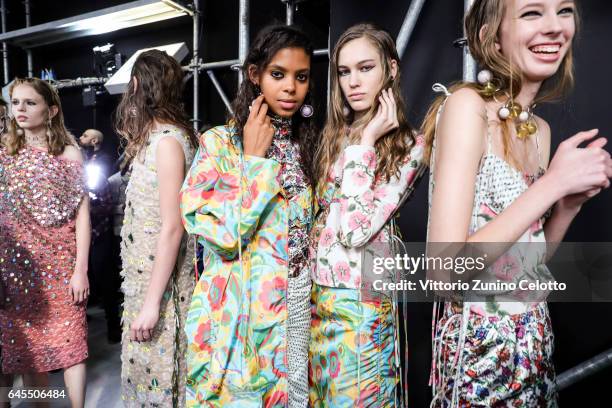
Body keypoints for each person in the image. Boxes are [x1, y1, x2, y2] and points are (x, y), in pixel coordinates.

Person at [422, 0, 612, 405]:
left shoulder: (538, 131)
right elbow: (443, 273)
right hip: (479, 354)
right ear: (493, 34)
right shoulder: (466, 108)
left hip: (534, 346)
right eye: (531, 13)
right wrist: (551, 185)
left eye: (563, 11)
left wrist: (568, 205)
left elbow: (527, 262)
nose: (555, 27)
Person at [180, 25, 318, 407]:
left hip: (295, 308)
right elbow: (222, 235)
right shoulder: (219, 144)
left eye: (300, 77)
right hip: (236, 319)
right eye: (278, 74)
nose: (290, 87)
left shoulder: (309, 145)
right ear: (255, 75)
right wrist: (254, 161)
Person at [308, 23, 424, 407]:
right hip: (318, 298)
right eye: (344, 71)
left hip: (362, 302)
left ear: (391, 68)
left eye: (365, 68)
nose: (353, 82)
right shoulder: (336, 134)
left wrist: (369, 141)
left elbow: (355, 232)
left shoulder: (411, 145)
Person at [0, 77, 90, 408]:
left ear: (51, 110)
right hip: (17, 271)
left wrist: (80, 270)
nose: (19, 109)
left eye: (29, 103)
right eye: (15, 103)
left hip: (62, 264)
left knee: (72, 346)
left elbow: (83, 217)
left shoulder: (68, 154)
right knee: (29, 353)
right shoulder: (4, 155)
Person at [115, 50, 198, 407]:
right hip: (145, 281)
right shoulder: (156, 139)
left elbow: (172, 228)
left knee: (160, 382)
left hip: (161, 290)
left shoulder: (167, 142)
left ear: (137, 85)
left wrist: (151, 305)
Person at [79, 129, 121, 343]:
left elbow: (106, 205)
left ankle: (114, 325)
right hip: (75, 239)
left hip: (98, 234)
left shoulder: (97, 171)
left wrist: (87, 208)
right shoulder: (71, 173)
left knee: (106, 279)